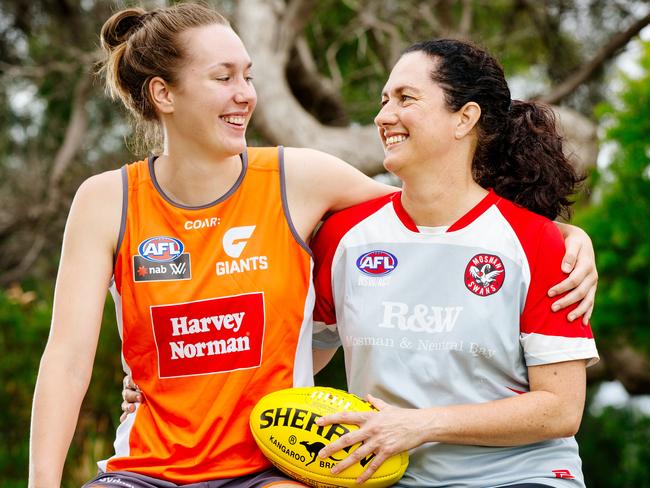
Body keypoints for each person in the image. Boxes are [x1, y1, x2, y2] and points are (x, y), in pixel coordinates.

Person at [29, 3, 595, 487]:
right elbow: (67, 361)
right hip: (148, 467)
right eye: (223, 77)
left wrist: (566, 236)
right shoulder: (108, 200)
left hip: (271, 469)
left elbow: (438, 213)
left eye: (248, 76)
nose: (245, 94)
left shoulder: (300, 179)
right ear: (163, 93)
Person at [310, 39, 600, 488]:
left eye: (406, 98)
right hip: (385, 478)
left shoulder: (540, 244)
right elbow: (301, 359)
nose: (384, 116)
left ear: (464, 118)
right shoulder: (342, 237)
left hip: (520, 476)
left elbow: (560, 409)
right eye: (384, 99)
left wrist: (420, 424)